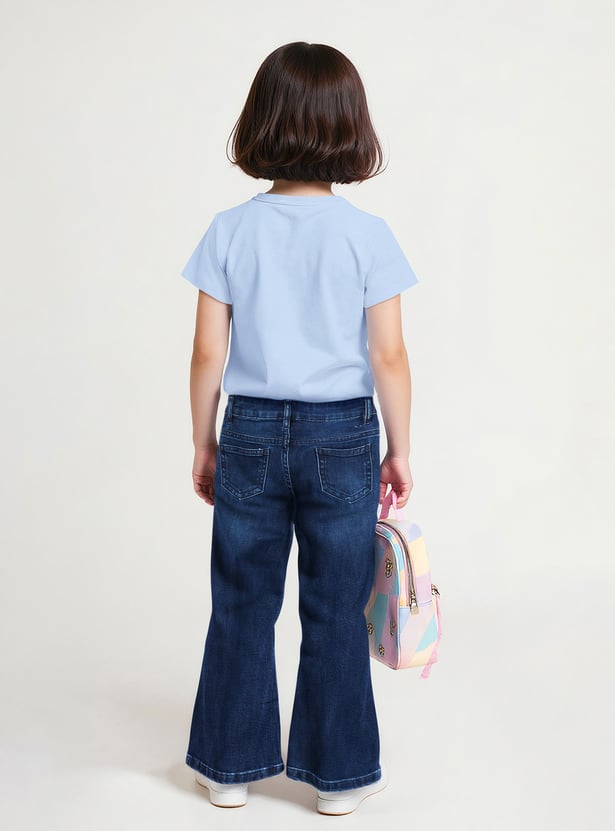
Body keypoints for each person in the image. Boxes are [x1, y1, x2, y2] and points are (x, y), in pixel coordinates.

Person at [180, 41, 418, 816]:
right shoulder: (366, 234)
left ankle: (227, 767)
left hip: (248, 430)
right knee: (335, 607)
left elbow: (207, 351)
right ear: (351, 126)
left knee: (241, 602)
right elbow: (387, 354)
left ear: (261, 121)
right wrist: (399, 448)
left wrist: (204, 441)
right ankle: (338, 776)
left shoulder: (228, 230)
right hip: (343, 437)